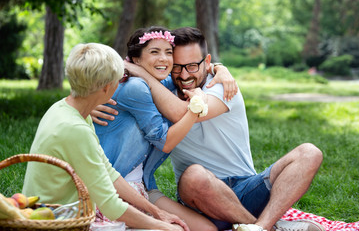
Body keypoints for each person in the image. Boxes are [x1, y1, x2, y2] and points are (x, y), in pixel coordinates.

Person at [95, 27, 325, 231]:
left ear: (207, 61)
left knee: (310, 152)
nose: (185, 75)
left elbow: (180, 112)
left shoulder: (221, 87)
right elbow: (103, 85)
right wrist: (89, 104)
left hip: (246, 189)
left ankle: (260, 227)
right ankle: (268, 228)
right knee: (194, 175)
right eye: (178, 67)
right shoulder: (164, 87)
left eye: (192, 66)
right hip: (199, 197)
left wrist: (220, 69)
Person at [22, 43, 187, 230]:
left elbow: (109, 173)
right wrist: (163, 226)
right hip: (55, 222)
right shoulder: (74, 129)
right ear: (107, 87)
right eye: (121, 78)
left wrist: (157, 212)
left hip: (63, 215)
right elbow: (110, 205)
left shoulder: (66, 109)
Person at [93, 26, 237, 231]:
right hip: (115, 188)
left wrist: (219, 68)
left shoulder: (162, 81)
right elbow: (166, 141)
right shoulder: (135, 87)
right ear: (135, 59)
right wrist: (196, 107)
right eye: (154, 52)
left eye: (168, 52)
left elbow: (187, 71)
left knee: (207, 229)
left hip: (143, 186)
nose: (164, 59)